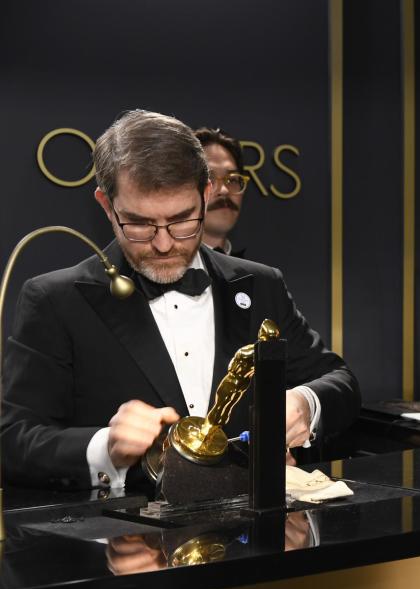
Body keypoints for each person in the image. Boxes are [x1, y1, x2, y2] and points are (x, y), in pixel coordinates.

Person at [1, 110, 360, 491]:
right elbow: (13, 442)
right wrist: (103, 446)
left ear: (206, 195)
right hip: (124, 543)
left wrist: (306, 403)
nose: (163, 243)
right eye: (139, 223)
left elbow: (341, 382)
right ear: (107, 206)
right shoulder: (55, 300)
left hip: (252, 540)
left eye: (182, 220)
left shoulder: (260, 284)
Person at [194, 126, 247, 257]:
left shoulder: (257, 275)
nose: (224, 190)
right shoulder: (158, 273)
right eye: (209, 178)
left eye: (233, 180)